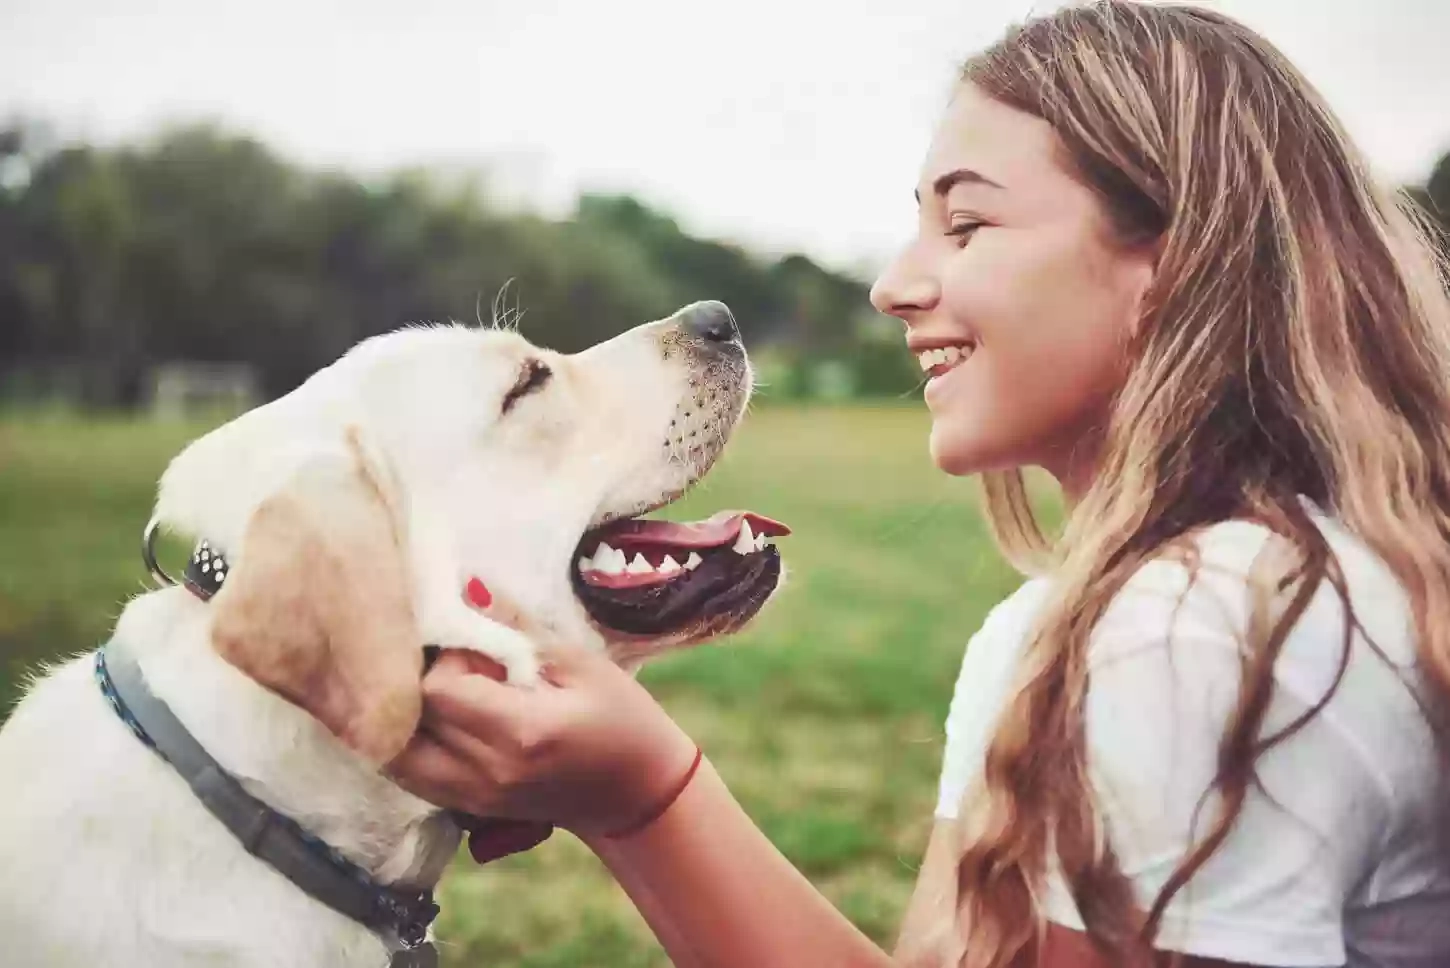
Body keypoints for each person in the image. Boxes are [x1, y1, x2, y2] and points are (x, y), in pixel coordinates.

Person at [389, 2, 1450, 966]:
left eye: (968, 223)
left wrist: (642, 798)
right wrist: (628, 794)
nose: (894, 286)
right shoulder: (1052, 629)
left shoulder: (1200, 625)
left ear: (1173, 267)